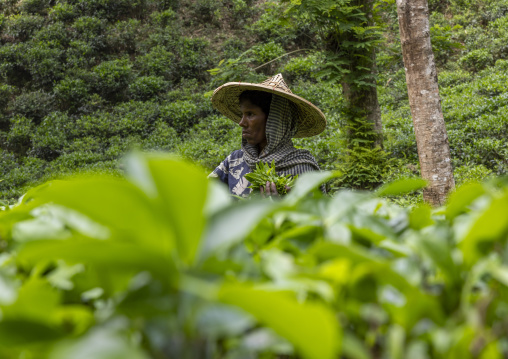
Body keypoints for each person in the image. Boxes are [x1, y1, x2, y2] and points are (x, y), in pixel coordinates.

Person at [208, 73, 326, 197]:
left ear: (274, 121)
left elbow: (314, 213)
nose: (241, 123)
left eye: (250, 114)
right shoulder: (234, 161)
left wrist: (281, 207)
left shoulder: (303, 169)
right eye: (242, 114)